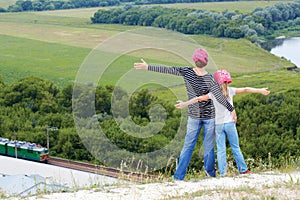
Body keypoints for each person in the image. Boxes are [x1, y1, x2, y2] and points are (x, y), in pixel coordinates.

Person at [134, 48, 236, 180]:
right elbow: (220, 97)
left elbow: (168, 69)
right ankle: (210, 175)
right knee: (208, 147)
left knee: (188, 146)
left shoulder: (187, 71)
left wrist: (148, 67)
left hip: (194, 116)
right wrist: (231, 109)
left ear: (194, 60)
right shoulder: (210, 78)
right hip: (209, 116)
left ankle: (178, 177)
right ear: (206, 62)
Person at [175, 69, 270, 176]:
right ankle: (243, 170)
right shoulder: (231, 91)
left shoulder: (212, 94)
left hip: (218, 125)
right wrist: (260, 90)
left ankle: (223, 173)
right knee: (235, 147)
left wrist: (184, 104)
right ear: (227, 81)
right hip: (230, 124)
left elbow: (198, 99)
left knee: (221, 150)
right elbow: (246, 89)